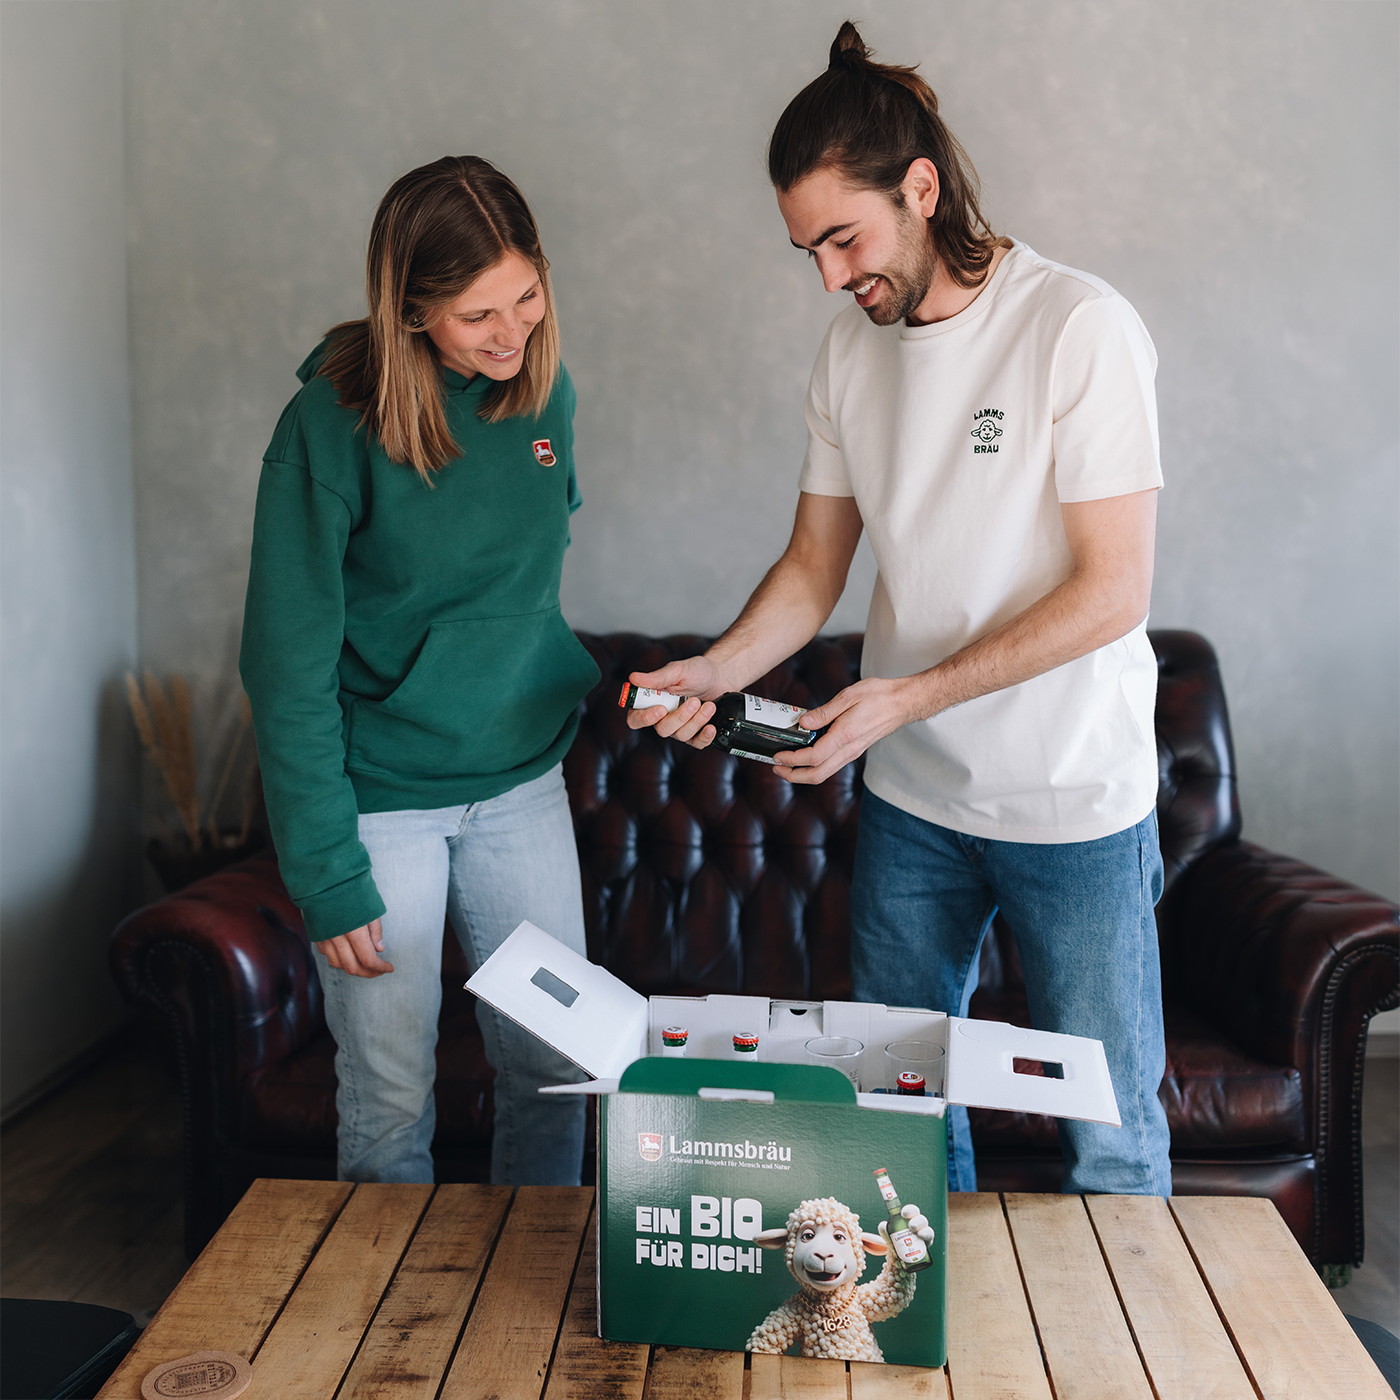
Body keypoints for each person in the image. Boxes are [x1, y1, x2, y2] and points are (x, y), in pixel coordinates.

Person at [628, 23, 1171, 1197]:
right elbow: (813, 567)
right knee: (893, 1122)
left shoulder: (1076, 328)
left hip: (1071, 801)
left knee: (1111, 1141)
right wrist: (715, 670)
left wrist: (906, 695)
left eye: (843, 237)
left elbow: (1110, 591)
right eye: (806, 250)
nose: (829, 275)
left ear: (918, 188)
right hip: (915, 800)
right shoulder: (847, 354)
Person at [239, 156, 599, 1187]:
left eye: (526, 295)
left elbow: (518, 585)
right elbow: (284, 664)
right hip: (383, 802)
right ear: (407, 311)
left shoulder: (543, 395)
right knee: (392, 1089)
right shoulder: (325, 430)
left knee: (552, 1068)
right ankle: (389, 1339)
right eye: (475, 311)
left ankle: (518, 1330)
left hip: (521, 786)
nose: (511, 330)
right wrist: (325, 869)